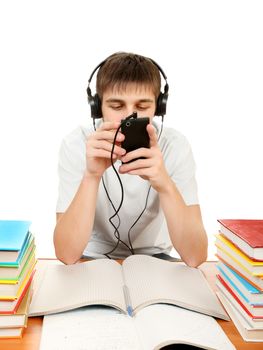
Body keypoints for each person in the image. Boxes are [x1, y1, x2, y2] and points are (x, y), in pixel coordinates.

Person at [53, 52, 208, 266]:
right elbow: (66, 255)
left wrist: (164, 183)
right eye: (117, 106)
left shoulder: (175, 145)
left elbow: (195, 257)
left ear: (159, 106)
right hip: (89, 260)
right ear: (97, 107)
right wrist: (91, 176)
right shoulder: (77, 143)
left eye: (142, 107)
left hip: (156, 261)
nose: (129, 116)